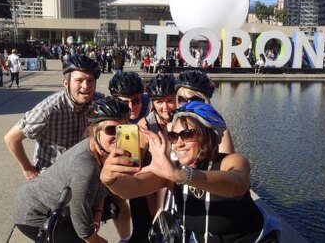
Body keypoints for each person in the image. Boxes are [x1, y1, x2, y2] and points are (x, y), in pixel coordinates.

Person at [100, 101, 281, 243]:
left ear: (208, 135)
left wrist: (181, 175)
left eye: (186, 135)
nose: (178, 143)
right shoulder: (172, 171)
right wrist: (109, 179)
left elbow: (237, 185)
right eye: (173, 136)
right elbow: (131, 189)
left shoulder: (230, 161)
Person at [13, 97, 131, 243]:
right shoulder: (85, 165)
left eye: (123, 129)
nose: (118, 136)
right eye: (111, 129)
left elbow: (102, 186)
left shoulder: (103, 151)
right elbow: (78, 211)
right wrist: (94, 239)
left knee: (115, 205)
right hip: (35, 214)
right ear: (95, 131)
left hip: (63, 207)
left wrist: (98, 212)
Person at [4, 54, 103, 179]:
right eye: (79, 80)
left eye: (90, 80)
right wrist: (27, 168)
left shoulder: (99, 102)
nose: (86, 86)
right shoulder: (49, 108)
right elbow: (11, 138)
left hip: (83, 171)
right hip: (52, 174)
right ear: (66, 83)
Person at [125, 73, 178, 242]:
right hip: (147, 186)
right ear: (152, 101)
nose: (165, 107)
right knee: (144, 231)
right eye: (159, 101)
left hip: (176, 183)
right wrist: (150, 199)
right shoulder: (143, 126)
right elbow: (134, 168)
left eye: (170, 100)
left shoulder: (183, 121)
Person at [175, 70, 234, 154]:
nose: (189, 105)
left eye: (195, 100)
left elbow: (230, 163)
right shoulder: (171, 128)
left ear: (205, 101)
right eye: (183, 100)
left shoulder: (220, 131)